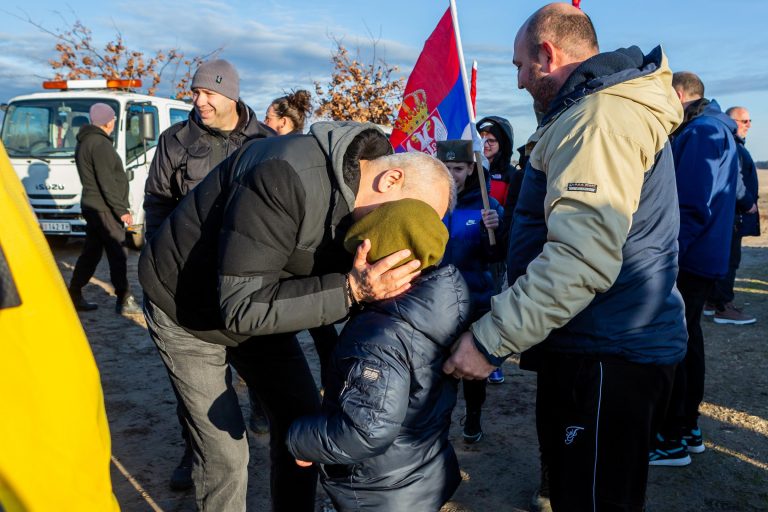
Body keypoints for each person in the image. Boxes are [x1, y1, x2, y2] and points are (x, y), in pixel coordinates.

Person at [442, 4, 687, 510]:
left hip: (608, 351)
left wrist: (490, 340)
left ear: (547, 54)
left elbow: (580, 259)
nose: (518, 83)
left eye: (518, 67)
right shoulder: (589, 113)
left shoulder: (600, 120)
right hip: (593, 341)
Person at [138, 123, 453, 512]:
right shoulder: (284, 174)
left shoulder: (367, 210)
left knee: (303, 427)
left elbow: (309, 289)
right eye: (414, 217)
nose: (410, 233)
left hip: (265, 296)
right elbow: (241, 307)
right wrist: (351, 291)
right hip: (186, 306)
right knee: (225, 451)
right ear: (391, 179)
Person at [142, 59, 274, 491]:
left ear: (230, 95)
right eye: (195, 93)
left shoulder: (264, 140)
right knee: (195, 387)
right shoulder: (175, 140)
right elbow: (158, 202)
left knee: (259, 364)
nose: (199, 102)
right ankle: (194, 450)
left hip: (249, 278)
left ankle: (260, 415)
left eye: (208, 94)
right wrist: (165, 251)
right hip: (190, 280)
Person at [287, 197, 468, 512]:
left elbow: (367, 430)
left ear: (382, 261)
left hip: (379, 490)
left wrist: (301, 439)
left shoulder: (381, 336)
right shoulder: (444, 299)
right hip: (420, 470)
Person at [649, 72, 740, 466]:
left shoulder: (702, 132)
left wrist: (668, 255)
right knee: (690, 341)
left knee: (676, 344)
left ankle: (672, 438)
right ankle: (688, 428)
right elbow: (737, 194)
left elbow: (691, 204)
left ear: (680, 95)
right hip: (704, 256)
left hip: (689, 258)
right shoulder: (717, 130)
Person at [436, 139, 505, 443]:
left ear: (471, 169)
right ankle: (437, 422)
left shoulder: (488, 206)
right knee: (438, 368)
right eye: (446, 167)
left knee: (472, 367)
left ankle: (474, 416)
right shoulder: (427, 202)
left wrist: (495, 229)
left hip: (474, 300)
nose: (452, 174)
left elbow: (496, 257)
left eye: (458, 168)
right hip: (435, 303)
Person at [68, 103, 141, 315]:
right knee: (118, 253)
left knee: (90, 253)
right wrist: (121, 210)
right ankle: (125, 299)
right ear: (108, 121)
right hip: (105, 209)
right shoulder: (100, 144)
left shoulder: (85, 142)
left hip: (93, 206)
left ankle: (73, 294)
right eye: (114, 118)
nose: (114, 121)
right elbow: (106, 181)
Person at [703, 106, 760, 325]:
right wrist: (748, 203)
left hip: (730, 215)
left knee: (725, 258)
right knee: (730, 260)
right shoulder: (732, 145)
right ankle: (722, 306)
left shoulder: (733, 144)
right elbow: (734, 180)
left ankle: (711, 302)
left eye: (749, 120)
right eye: (744, 121)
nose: (749, 125)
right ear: (731, 120)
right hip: (733, 215)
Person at [475, 116, 516, 385]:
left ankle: (494, 360)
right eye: (482, 140)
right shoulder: (472, 169)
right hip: (472, 247)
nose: (486, 145)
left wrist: (498, 223)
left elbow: (513, 214)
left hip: (497, 250)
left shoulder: (513, 176)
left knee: (493, 306)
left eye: (491, 140)